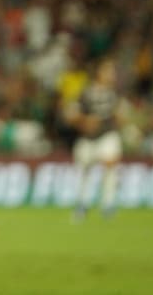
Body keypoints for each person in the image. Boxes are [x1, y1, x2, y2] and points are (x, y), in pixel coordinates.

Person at [66, 57, 126, 221]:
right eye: (107, 70)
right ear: (98, 72)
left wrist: (119, 118)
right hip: (87, 137)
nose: (111, 74)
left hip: (107, 134)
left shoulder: (115, 94)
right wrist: (84, 121)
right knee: (84, 171)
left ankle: (108, 205)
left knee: (110, 165)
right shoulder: (86, 92)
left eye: (112, 71)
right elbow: (71, 114)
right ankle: (82, 205)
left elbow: (121, 117)